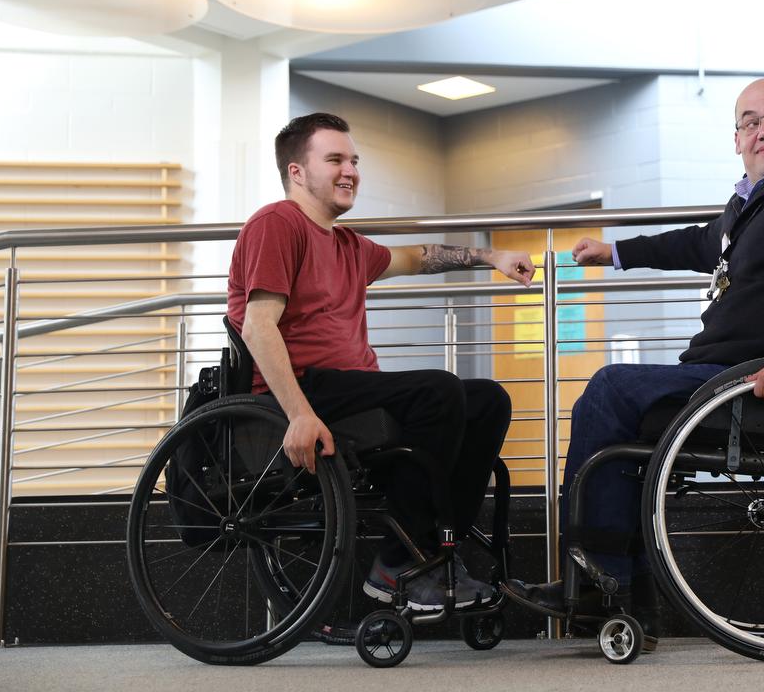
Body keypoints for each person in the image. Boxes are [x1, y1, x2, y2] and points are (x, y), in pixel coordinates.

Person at [504, 77, 764, 620]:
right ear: (736, 139)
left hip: (759, 389)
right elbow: (698, 242)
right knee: (626, 412)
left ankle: (601, 580)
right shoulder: (754, 208)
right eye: (750, 121)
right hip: (721, 379)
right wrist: (615, 251)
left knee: (611, 390)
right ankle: (624, 589)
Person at [227, 112, 535, 612]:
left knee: (487, 400)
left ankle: (433, 554)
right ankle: (399, 566)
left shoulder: (347, 245)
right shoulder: (277, 224)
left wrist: (490, 257)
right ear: (297, 172)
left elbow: (418, 257)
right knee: (438, 390)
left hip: (349, 388)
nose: (350, 170)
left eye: (353, 160)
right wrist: (301, 414)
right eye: (334, 159)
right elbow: (258, 326)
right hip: (303, 390)